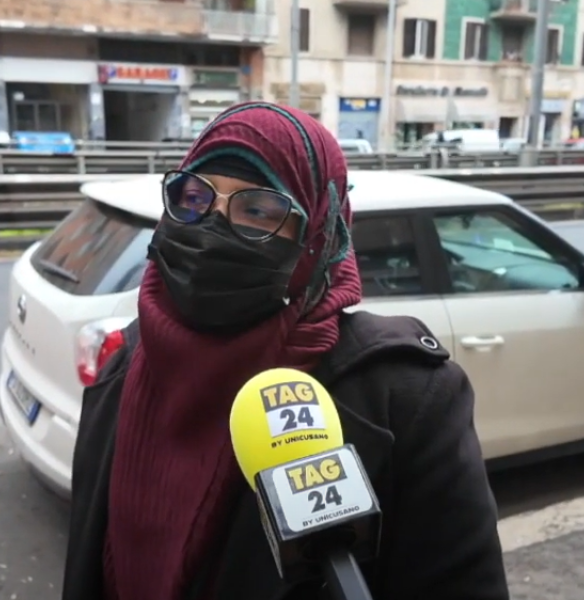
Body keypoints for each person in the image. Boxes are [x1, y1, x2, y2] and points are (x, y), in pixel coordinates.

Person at [62, 101, 509, 600]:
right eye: (193, 198)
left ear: (319, 238)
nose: (211, 228)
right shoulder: (122, 374)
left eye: (256, 210)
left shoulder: (407, 400)